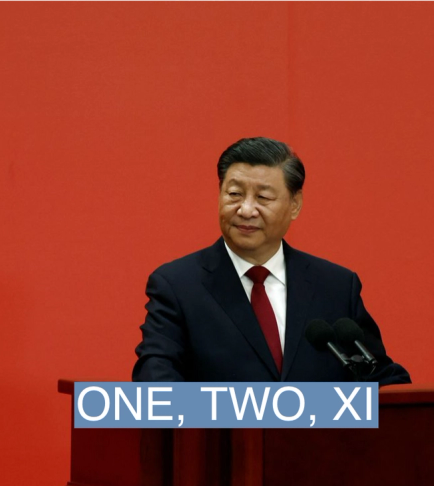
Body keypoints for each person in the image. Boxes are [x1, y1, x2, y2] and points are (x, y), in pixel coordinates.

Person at [132, 137, 410, 384]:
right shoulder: (178, 286)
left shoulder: (336, 287)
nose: (246, 209)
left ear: (295, 205)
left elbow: (381, 377)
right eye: (234, 194)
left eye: (263, 197)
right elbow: (155, 382)